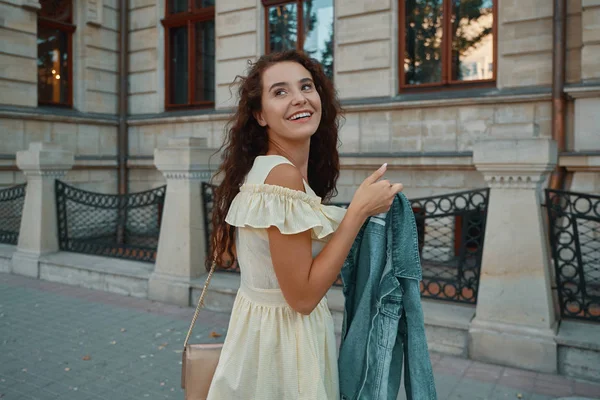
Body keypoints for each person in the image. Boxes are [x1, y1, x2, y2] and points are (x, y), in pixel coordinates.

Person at [206, 50, 404, 400]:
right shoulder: (281, 178)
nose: (299, 98)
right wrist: (358, 212)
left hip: (263, 338)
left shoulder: (267, 170)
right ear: (260, 115)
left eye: (306, 86)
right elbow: (302, 297)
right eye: (279, 92)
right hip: (285, 351)